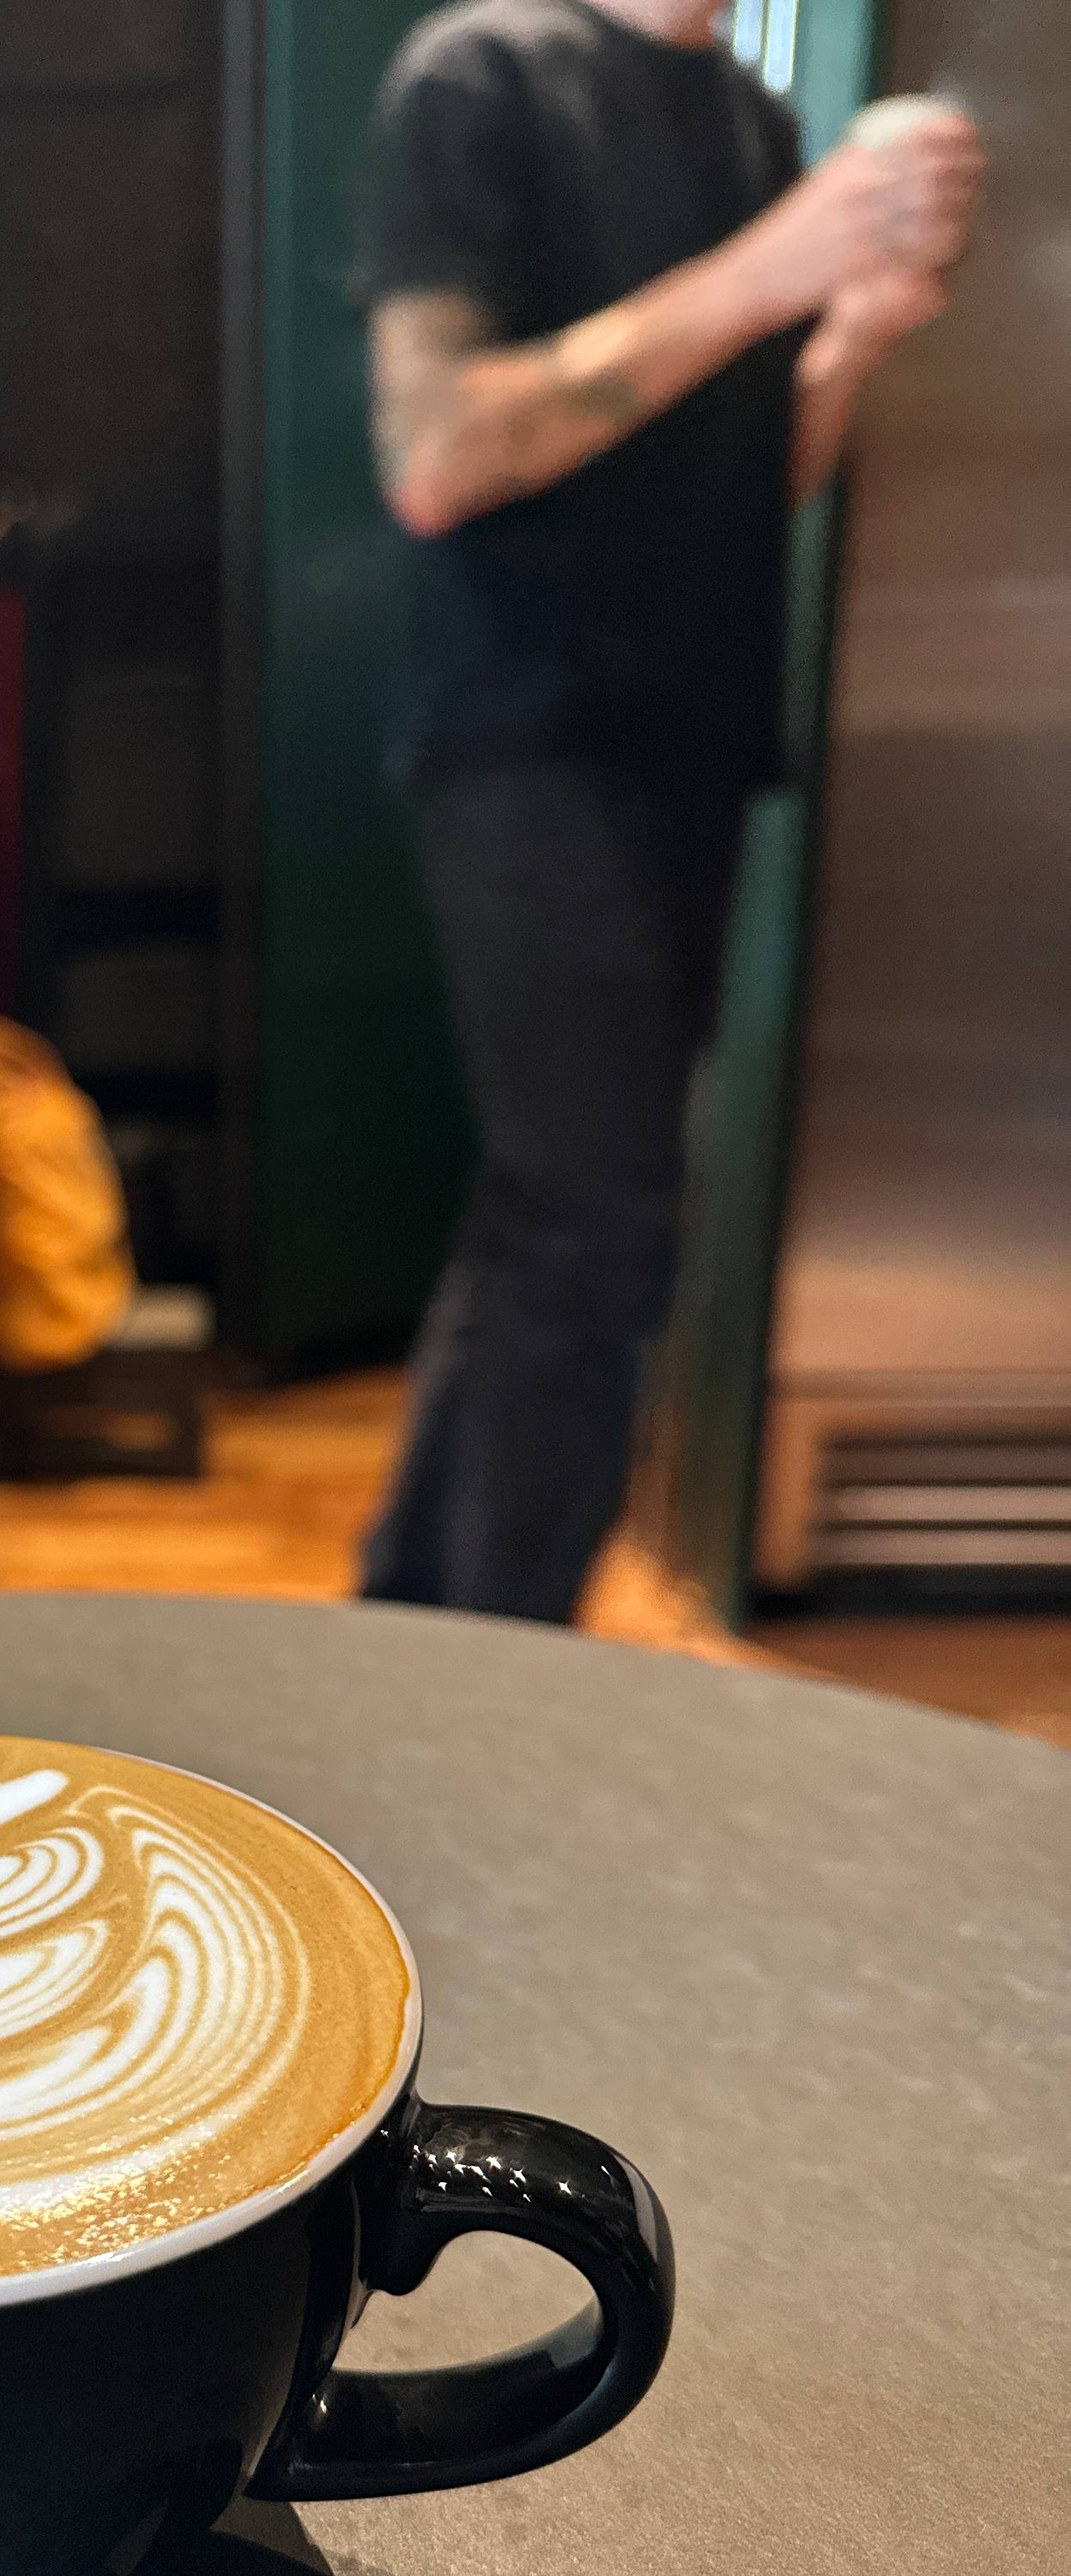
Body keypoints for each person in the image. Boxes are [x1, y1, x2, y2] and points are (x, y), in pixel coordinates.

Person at [357, 0, 981, 1623]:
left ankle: (420, 1629)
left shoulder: (748, 127)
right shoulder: (480, 76)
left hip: (691, 742)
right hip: (525, 734)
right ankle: (498, 1685)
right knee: (599, 1228)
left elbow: (749, 469)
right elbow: (439, 454)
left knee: (547, 1218)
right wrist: (780, 263)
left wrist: (848, 336)